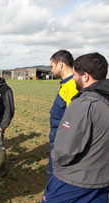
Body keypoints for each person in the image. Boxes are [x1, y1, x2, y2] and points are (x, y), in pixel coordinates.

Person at [35, 52, 109, 203]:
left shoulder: (84, 104)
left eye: (75, 74)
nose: (73, 78)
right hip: (101, 178)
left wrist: (56, 163)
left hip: (75, 178)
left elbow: (65, 150)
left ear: (85, 76)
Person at [48, 50, 78, 178]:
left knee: (56, 174)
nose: (51, 70)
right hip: (58, 137)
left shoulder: (72, 86)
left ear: (60, 64)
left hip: (62, 141)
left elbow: (74, 119)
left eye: (52, 66)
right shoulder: (66, 84)